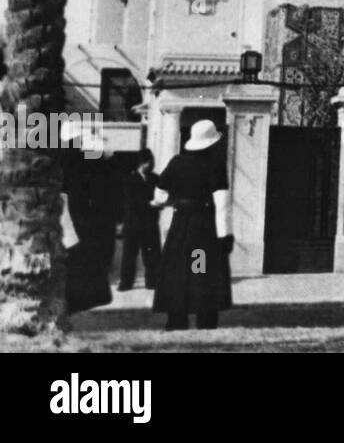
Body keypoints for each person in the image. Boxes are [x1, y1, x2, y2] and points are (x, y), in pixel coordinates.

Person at [152, 120, 233, 330]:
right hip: (203, 229)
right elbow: (222, 204)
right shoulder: (215, 164)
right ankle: (204, 318)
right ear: (211, 143)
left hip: (180, 226)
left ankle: (176, 319)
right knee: (200, 269)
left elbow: (159, 195)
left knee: (179, 271)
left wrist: (174, 201)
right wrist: (225, 236)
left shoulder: (177, 162)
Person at [61, 122, 117, 314]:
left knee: (74, 260)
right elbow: (108, 155)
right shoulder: (87, 158)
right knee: (86, 258)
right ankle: (89, 298)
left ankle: (74, 300)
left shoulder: (64, 158)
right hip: (87, 213)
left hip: (71, 212)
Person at [119, 150, 161, 291]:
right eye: (150, 161)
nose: (152, 164)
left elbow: (161, 195)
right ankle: (126, 282)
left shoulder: (156, 179)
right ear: (143, 163)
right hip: (133, 223)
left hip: (150, 223)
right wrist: (150, 204)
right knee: (129, 254)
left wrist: (159, 204)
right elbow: (131, 202)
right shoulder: (129, 179)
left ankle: (153, 282)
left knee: (152, 254)